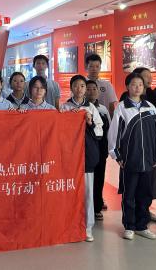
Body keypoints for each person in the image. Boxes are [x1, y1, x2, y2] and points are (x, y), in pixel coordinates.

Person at [108, 73, 156, 241]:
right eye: (134, 84)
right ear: (127, 87)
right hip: (129, 160)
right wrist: (117, 155)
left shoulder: (150, 107)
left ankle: (142, 226)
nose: (137, 87)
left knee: (145, 194)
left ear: (144, 87)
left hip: (149, 160)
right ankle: (129, 226)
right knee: (129, 195)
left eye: (140, 84)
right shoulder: (122, 108)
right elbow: (114, 133)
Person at [60, 75, 103, 242]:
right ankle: (69, 225)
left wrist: (90, 122)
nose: (79, 89)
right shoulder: (64, 107)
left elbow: (99, 132)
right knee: (69, 192)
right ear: (71, 88)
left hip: (87, 156)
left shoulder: (91, 108)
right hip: (69, 156)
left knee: (87, 193)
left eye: (82, 86)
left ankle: (87, 227)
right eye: (76, 86)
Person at [86, 80, 111, 219]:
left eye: (94, 89)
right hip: (86, 150)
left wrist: (108, 148)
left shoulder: (103, 109)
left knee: (99, 177)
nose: (91, 92)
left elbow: (109, 130)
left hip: (101, 149)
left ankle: (97, 207)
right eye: (88, 89)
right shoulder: (81, 108)